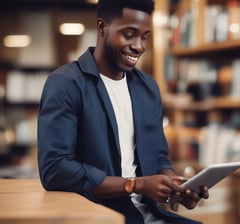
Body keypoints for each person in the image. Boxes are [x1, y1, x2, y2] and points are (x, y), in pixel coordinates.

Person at [37, 0, 209, 224]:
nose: (139, 46)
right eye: (129, 34)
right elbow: (55, 169)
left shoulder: (148, 88)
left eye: (144, 36)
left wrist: (175, 186)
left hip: (150, 214)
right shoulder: (65, 84)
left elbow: (158, 158)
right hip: (100, 216)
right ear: (101, 28)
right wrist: (135, 185)